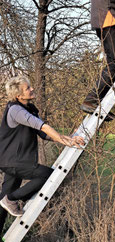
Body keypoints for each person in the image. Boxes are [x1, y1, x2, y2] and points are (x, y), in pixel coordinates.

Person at [0, 75, 85, 227]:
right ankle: (12, 199)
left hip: (13, 161)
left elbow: (44, 134)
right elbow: (43, 127)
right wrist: (68, 141)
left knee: (3, 201)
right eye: (28, 88)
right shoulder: (15, 110)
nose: (32, 89)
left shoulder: (29, 109)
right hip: (14, 161)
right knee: (48, 176)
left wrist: (68, 138)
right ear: (18, 95)